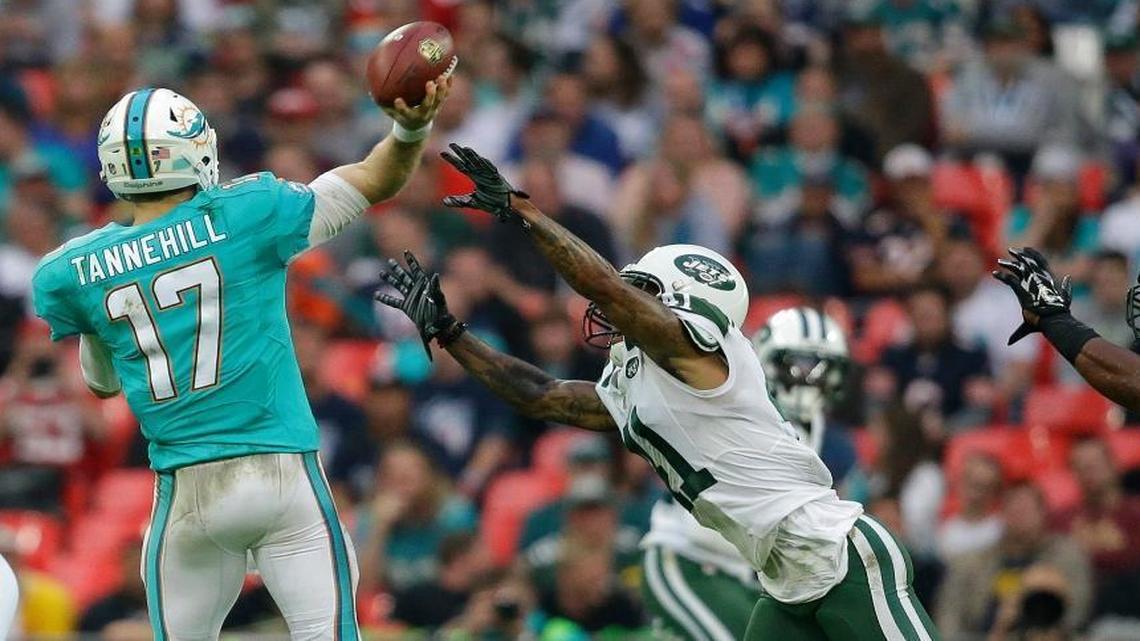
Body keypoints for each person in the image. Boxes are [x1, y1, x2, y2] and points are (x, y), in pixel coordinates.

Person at [376, 144, 939, 641]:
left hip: (839, 556)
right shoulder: (637, 383)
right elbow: (540, 393)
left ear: (682, 302)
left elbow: (602, 287)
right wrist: (453, 336)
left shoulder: (699, 355)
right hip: (785, 577)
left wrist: (524, 212)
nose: (623, 298)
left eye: (644, 290)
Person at [30, 75, 451, 639]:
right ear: (195, 152)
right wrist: (412, 124)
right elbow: (377, 178)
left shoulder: (71, 270)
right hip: (280, 472)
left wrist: (99, 317)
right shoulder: (246, 213)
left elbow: (101, 383)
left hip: (183, 496)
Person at [936, 482, 1091, 638]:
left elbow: (1077, 609)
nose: (1019, 518)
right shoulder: (971, 562)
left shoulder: (1066, 555)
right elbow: (948, 613)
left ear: (1043, 512)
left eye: (1025, 510)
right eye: (1013, 510)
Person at [993, 247, 1140, 411]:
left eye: (1114, 278)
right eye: (1103, 279)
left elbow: (1134, 380)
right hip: (1083, 403)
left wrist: (1058, 322)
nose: (1108, 284)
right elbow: (1068, 378)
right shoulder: (1080, 312)